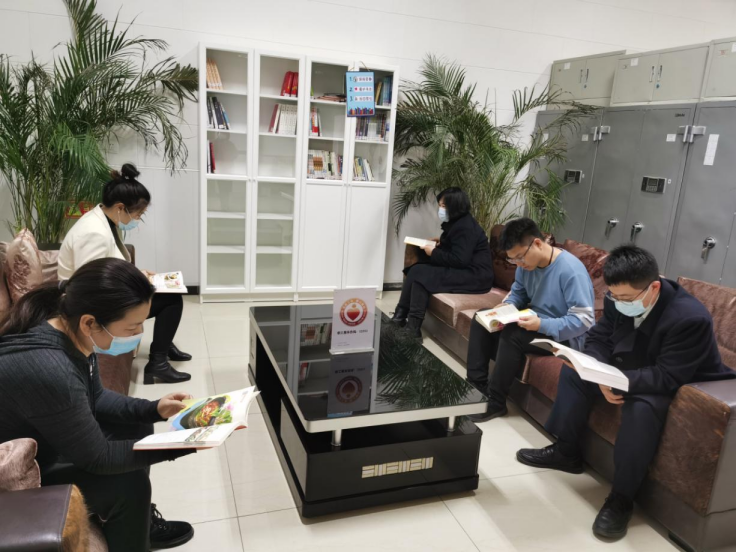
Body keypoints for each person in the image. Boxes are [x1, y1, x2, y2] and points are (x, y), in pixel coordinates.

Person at [516, 245, 736, 540]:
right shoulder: (619, 298)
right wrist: (595, 368)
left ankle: (621, 499)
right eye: (614, 296)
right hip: (635, 367)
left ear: (654, 287)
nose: (619, 303)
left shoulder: (689, 318)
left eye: (626, 299)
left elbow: (666, 375)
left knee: (641, 409)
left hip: (683, 383)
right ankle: (566, 452)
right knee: (574, 372)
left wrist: (616, 381)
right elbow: (600, 337)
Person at [0, 258, 198, 551]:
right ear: (90, 322)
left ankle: (136, 525)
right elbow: (98, 458)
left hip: (44, 440)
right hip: (19, 473)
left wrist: (154, 408)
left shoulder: (71, 327)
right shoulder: (51, 368)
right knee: (130, 484)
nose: (138, 335)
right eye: (132, 327)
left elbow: (98, 397)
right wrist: (182, 443)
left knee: (137, 423)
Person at [58, 163, 191, 384]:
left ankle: (163, 346)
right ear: (121, 208)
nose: (138, 219)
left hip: (98, 294)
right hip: (87, 303)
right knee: (171, 300)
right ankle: (158, 362)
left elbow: (108, 263)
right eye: (138, 214)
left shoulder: (105, 220)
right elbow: (90, 283)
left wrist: (138, 274)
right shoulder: (94, 233)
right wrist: (138, 283)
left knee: (170, 294)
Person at [467, 217, 595, 422]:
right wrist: (507, 306)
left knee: (513, 334)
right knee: (480, 318)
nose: (518, 264)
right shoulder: (526, 266)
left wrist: (542, 324)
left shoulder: (570, 270)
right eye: (513, 260)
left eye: (520, 257)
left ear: (537, 243)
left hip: (564, 337)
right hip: (533, 322)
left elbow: (583, 321)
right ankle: (476, 386)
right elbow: (518, 293)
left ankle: (496, 402)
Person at [391, 187, 494, 338]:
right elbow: (458, 247)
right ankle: (408, 324)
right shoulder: (458, 221)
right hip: (466, 271)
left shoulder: (465, 226)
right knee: (419, 274)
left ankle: (402, 319)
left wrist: (433, 252)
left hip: (475, 276)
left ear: (455, 206)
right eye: (439, 205)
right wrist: (441, 243)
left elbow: (460, 260)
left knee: (419, 272)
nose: (440, 209)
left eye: (444, 206)